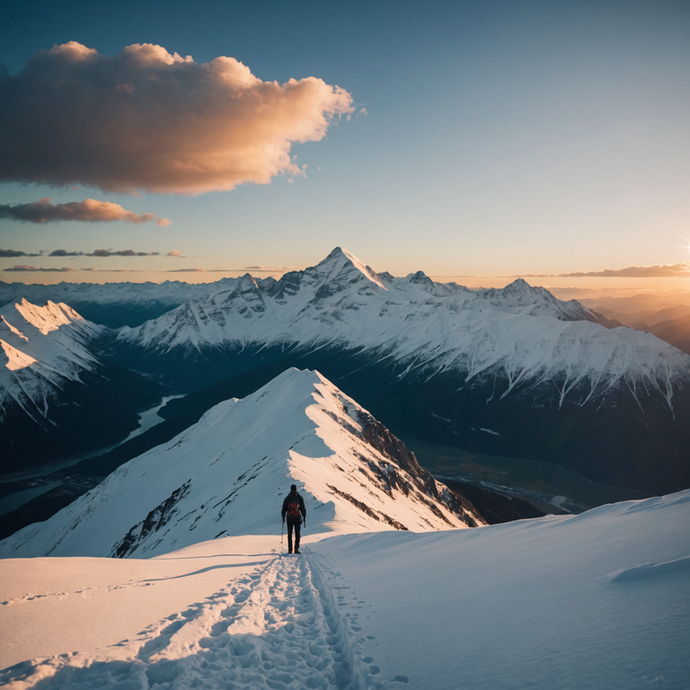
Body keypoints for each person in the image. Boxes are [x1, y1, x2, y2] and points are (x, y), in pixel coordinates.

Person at [281, 484, 306, 554]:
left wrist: (283, 518)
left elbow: (284, 508)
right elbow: (303, 508)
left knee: (290, 534)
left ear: (290, 489)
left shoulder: (288, 498)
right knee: (297, 534)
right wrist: (304, 518)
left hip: (289, 518)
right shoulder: (299, 497)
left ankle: (290, 549)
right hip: (297, 518)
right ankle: (296, 549)